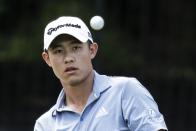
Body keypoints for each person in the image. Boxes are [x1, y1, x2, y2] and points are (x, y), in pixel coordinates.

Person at [34, 16, 168, 131]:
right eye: (58, 51)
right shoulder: (45, 125)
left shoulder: (126, 90)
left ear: (92, 50)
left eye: (75, 48)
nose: (68, 58)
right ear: (47, 59)